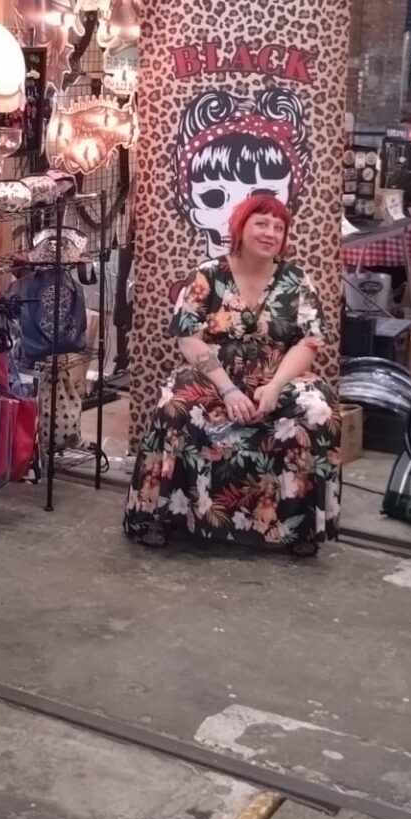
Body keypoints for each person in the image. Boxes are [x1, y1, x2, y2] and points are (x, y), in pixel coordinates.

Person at [125, 193, 341, 556]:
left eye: (278, 227)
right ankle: (160, 518)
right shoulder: (208, 274)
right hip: (215, 375)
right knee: (176, 407)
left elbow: (309, 342)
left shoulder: (297, 280)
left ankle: (300, 528)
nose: (270, 233)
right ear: (240, 228)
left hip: (277, 375)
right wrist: (227, 390)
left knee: (318, 411)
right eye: (261, 223)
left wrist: (275, 386)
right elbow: (188, 338)